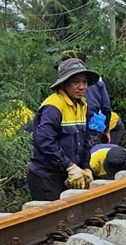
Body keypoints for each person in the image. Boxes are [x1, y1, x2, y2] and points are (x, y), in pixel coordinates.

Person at [29, 57, 98, 200]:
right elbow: (44, 141)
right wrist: (69, 165)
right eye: (76, 82)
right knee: (52, 218)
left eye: (84, 82)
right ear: (64, 84)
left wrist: (85, 167)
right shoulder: (53, 107)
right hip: (47, 176)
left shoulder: (82, 105)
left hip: (69, 174)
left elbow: (84, 139)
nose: (82, 87)